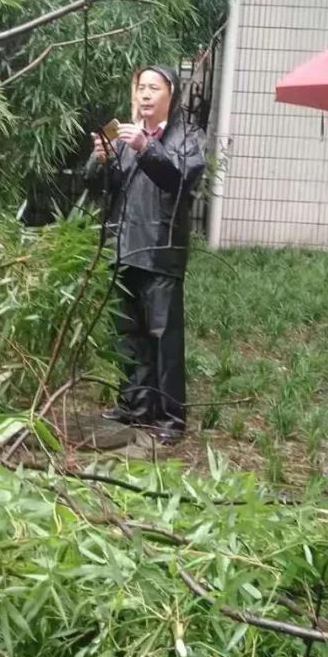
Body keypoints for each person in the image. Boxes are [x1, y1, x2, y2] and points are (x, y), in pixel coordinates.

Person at [84, 65, 207, 443]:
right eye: (141, 88)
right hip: (125, 246)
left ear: (171, 94)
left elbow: (180, 180)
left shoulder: (188, 136)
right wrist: (99, 161)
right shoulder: (122, 135)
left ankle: (170, 418)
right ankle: (134, 405)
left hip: (161, 250)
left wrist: (145, 146)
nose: (146, 95)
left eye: (154, 88)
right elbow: (101, 185)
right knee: (129, 334)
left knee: (163, 337)